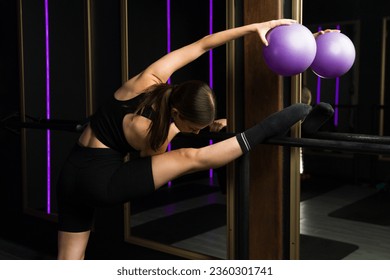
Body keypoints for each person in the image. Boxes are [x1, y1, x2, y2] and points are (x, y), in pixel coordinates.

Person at [56, 18, 315, 260]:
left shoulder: (150, 78)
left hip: (70, 172)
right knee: (189, 157)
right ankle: (267, 128)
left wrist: (257, 27)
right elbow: (150, 158)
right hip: (101, 183)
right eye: (193, 127)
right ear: (177, 113)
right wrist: (176, 130)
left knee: (69, 264)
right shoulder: (147, 130)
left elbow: (204, 43)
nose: (197, 133)